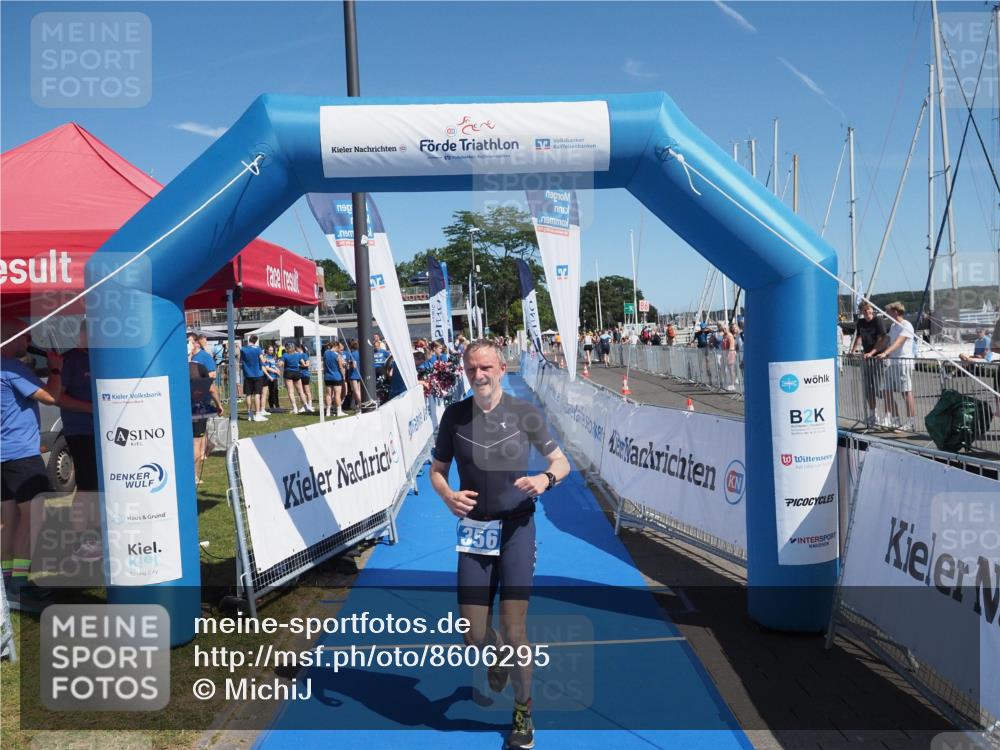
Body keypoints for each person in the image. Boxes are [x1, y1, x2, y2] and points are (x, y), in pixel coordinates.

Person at [430, 340, 569, 750]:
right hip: (474, 530)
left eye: (485, 367)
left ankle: (523, 713)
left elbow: (560, 461)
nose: (479, 375)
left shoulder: (523, 412)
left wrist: (545, 480)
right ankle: (495, 657)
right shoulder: (454, 416)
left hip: (516, 529)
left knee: (513, 630)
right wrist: (447, 495)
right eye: (471, 369)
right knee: (472, 633)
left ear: (501, 368)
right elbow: (438, 472)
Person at [2, 320, 62, 611]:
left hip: (3, 456)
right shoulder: (11, 368)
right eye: (23, 336)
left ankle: (8, 581)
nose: (27, 341)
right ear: (8, 338)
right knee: (32, 519)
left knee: (9, 521)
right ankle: (22, 584)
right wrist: (54, 368)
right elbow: (52, 396)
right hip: (21, 455)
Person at [56, 326, 102, 562]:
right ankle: (80, 541)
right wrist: (93, 409)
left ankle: (95, 537)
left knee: (98, 487)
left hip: (105, 433)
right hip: (81, 431)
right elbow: (57, 397)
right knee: (86, 486)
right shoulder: (71, 359)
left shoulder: (102, 356)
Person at [876, 302, 917, 431]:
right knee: (886, 390)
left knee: (906, 392)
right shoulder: (893, 326)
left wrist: (885, 353)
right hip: (893, 363)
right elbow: (886, 341)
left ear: (895, 312)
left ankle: (910, 421)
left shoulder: (906, 325)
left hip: (903, 362)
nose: (887, 314)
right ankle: (895, 419)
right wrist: (871, 352)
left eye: (888, 312)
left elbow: (899, 342)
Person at [189, 336, 224, 482]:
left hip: (184, 407)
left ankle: (192, 473)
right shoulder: (197, 367)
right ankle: (194, 476)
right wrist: (219, 405)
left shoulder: (175, 365)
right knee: (195, 442)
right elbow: (211, 387)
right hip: (196, 407)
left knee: (193, 440)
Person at [853, 302, 892, 427]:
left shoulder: (878, 321)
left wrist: (872, 352)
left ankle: (889, 416)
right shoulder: (861, 322)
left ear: (872, 311)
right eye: (865, 311)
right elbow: (859, 337)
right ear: (862, 312)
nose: (868, 314)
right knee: (868, 389)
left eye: (869, 311)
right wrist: (853, 350)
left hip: (879, 357)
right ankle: (873, 414)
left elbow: (882, 339)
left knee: (880, 388)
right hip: (867, 358)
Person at [240, 334, 268, 422]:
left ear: (249, 340)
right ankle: (258, 414)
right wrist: (265, 359)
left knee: (248, 395)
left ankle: (250, 414)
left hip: (247, 375)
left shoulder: (243, 349)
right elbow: (262, 360)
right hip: (257, 374)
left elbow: (241, 360)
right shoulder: (258, 349)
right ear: (256, 341)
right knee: (257, 394)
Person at [281, 342, 306, 414]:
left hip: (288, 373)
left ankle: (295, 408)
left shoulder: (285, 355)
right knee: (301, 391)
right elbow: (303, 363)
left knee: (290, 392)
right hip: (297, 373)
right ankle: (305, 406)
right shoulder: (298, 354)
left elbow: (280, 364)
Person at [323, 341, 346, 418]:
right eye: (338, 347)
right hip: (336, 377)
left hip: (328, 377)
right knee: (337, 395)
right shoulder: (337, 355)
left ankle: (328, 412)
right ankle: (339, 411)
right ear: (336, 346)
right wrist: (343, 376)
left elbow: (324, 365)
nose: (339, 349)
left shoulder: (325, 353)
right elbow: (340, 367)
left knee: (328, 395)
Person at [262, 345, 281, 411]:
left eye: (272, 350)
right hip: (269, 377)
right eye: (270, 350)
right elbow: (267, 368)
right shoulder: (265, 357)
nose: (271, 351)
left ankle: (277, 406)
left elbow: (273, 365)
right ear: (266, 350)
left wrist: (277, 370)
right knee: (271, 392)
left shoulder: (273, 357)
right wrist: (275, 371)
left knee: (275, 391)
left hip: (274, 376)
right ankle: (271, 407)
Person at [346, 339, 363, 413]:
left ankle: (360, 405)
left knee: (355, 391)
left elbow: (354, 365)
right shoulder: (360, 353)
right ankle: (359, 406)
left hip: (353, 374)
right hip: (359, 374)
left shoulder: (351, 354)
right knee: (359, 391)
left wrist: (348, 364)